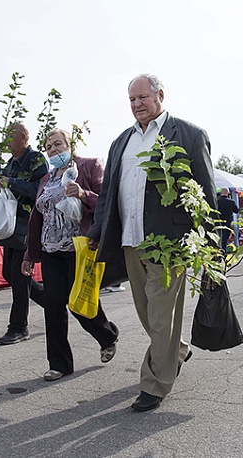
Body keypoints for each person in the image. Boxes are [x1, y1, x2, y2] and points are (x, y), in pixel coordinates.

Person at [87, 74, 216, 412]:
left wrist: (209, 238)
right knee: (148, 314)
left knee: (160, 316)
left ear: (160, 95)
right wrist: (98, 229)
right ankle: (177, 350)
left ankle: (155, 385)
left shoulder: (188, 134)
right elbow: (107, 193)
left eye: (143, 97)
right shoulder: (121, 143)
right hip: (130, 240)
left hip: (169, 243)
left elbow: (205, 191)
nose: (137, 104)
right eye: (131, 100)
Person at [21, 129, 119, 382]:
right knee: (53, 307)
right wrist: (30, 255)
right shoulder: (46, 178)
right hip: (50, 249)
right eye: (48, 147)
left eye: (57, 144)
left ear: (69, 145)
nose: (53, 150)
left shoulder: (88, 166)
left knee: (79, 302)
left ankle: (107, 335)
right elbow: (38, 217)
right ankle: (60, 364)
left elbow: (108, 202)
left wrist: (84, 194)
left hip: (80, 247)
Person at [0, 122, 48, 345]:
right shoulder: (10, 163)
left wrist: (12, 182)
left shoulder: (36, 159)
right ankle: (48, 298)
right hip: (11, 224)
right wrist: (0, 183)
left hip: (28, 224)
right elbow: (9, 189)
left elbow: (40, 190)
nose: (7, 141)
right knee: (9, 273)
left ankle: (18, 327)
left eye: (10, 136)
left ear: (24, 137)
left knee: (19, 275)